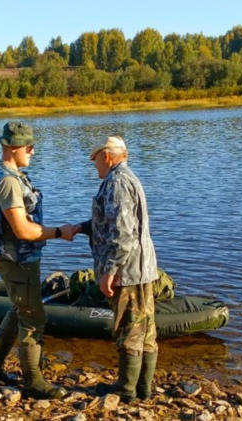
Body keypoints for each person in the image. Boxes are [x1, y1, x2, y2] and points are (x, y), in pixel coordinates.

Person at [0, 122, 75, 399]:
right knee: (33, 317)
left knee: (20, 310)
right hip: (17, 261)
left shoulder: (9, 173)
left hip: (14, 259)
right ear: (13, 147)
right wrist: (60, 233)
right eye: (29, 147)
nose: (33, 151)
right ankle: (33, 382)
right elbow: (22, 229)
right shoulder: (8, 181)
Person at [79, 136, 159, 403]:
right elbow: (113, 221)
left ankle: (127, 390)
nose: (94, 164)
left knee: (130, 330)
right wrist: (81, 227)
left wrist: (110, 270)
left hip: (127, 271)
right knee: (146, 331)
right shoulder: (126, 178)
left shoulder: (116, 182)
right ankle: (142, 390)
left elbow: (123, 233)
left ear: (108, 156)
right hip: (142, 268)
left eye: (95, 158)